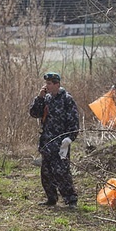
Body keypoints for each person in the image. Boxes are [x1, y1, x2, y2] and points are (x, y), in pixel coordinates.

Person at [29, 71, 79, 208]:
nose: (47, 86)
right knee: (46, 173)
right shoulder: (47, 98)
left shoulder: (67, 99)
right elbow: (34, 113)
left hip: (61, 142)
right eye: (46, 83)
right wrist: (39, 98)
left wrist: (69, 139)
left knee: (62, 172)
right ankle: (51, 198)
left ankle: (71, 199)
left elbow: (74, 123)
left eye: (49, 84)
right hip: (47, 142)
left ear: (57, 84)